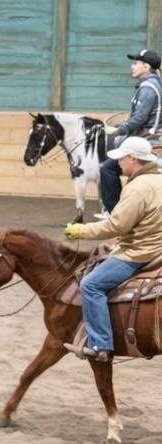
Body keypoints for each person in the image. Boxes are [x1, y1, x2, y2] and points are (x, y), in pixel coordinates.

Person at [63, 136, 162, 361]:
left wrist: (81, 230)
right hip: (159, 248)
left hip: (139, 252)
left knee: (91, 285)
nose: (118, 164)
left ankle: (100, 343)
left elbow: (117, 225)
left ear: (132, 159)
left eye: (121, 158)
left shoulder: (137, 188)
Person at [98, 47, 162, 214]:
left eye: (136, 63)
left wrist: (119, 130)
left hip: (148, 139)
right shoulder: (155, 83)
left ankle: (116, 213)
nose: (132, 67)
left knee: (107, 168)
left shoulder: (147, 88)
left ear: (146, 67)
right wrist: (121, 126)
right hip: (152, 136)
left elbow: (140, 118)